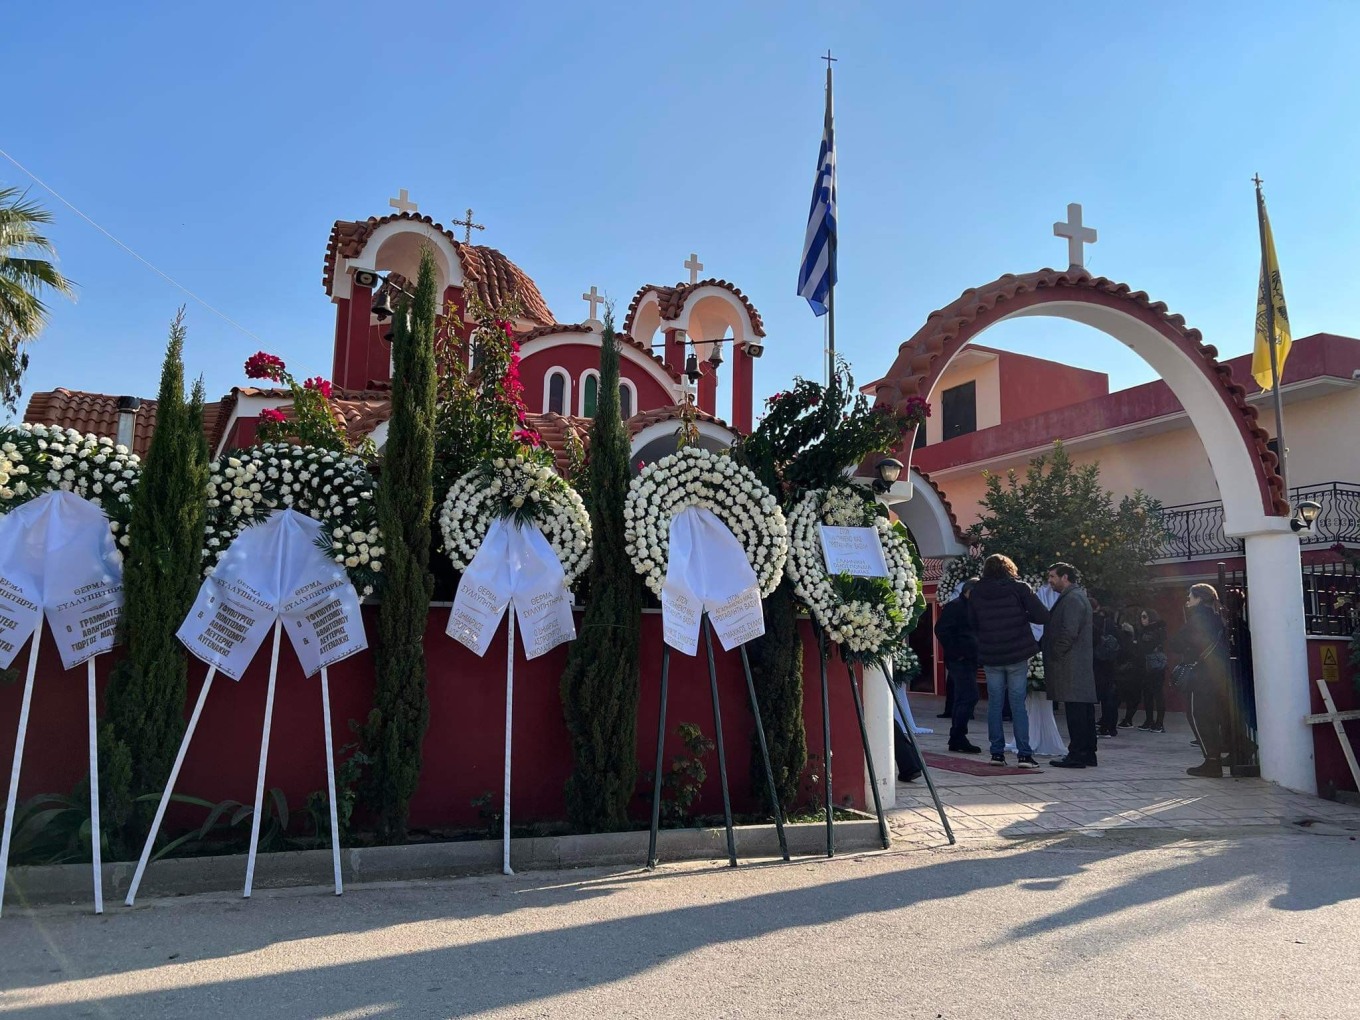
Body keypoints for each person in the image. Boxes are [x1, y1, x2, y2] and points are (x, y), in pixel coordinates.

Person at [968, 554, 1049, 768]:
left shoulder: (977, 591)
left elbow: (971, 622)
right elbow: (1042, 615)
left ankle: (996, 753)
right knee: (1017, 704)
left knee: (994, 704)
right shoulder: (1019, 588)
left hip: (991, 654)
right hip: (1016, 652)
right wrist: (1022, 615)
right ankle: (1024, 755)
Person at [1171, 583, 1232, 778]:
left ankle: (1212, 761)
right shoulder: (1217, 618)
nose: (1188, 600)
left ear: (1198, 598)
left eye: (1190, 596)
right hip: (1218, 675)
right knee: (1216, 716)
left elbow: (1177, 643)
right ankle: (1231, 753)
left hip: (1200, 674)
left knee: (1199, 716)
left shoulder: (1198, 619)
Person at [1041, 563, 1098, 768]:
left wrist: (1056, 652)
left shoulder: (1073, 598)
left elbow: (1069, 632)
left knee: (1077, 712)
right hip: (1076, 664)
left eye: (1052, 576)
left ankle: (1078, 754)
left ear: (1065, 577)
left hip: (1072, 665)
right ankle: (1087, 752)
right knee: (1082, 710)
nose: (1050, 581)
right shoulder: (1075, 596)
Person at [934, 578, 981, 753]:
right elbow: (941, 630)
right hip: (959, 660)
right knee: (968, 696)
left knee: (965, 697)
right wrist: (957, 652)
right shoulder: (955, 606)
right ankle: (958, 737)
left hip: (970, 659)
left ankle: (957, 737)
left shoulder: (971, 607)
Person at [1091, 595, 1122, 737]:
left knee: (1100, 695)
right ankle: (1111, 727)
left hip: (1097, 661)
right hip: (1110, 662)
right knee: (1110, 696)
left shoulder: (1092, 622)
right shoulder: (1112, 624)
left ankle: (1103, 726)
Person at [1135, 608, 1168, 732]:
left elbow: (1147, 646)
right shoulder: (1148, 630)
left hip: (1155, 665)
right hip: (1147, 665)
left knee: (1157, 694)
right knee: (1147, 694)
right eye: (1141, 617)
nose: (1142, 619)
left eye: (1145, 617)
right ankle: (1149, 721)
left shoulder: (1156, 630)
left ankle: (1159, 723)